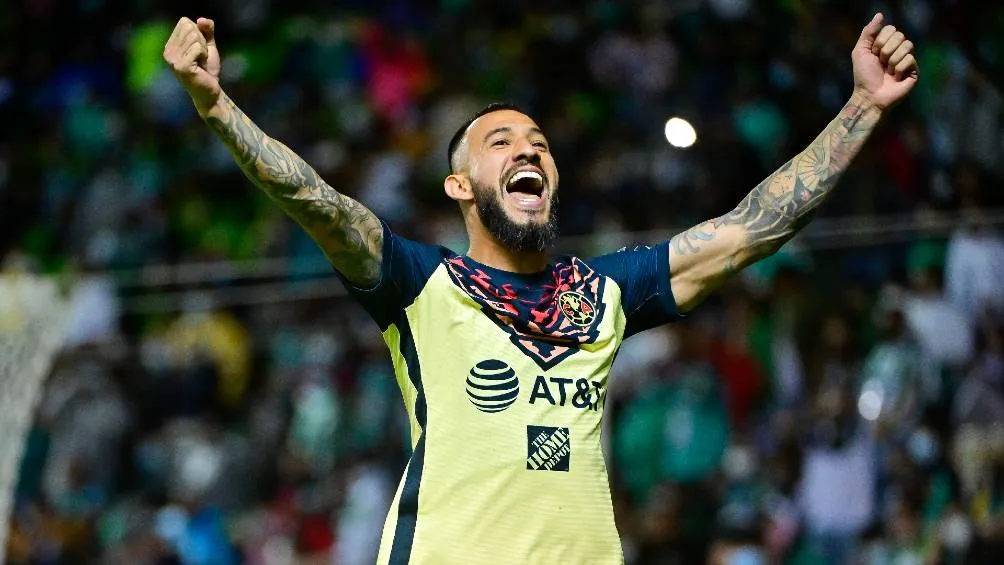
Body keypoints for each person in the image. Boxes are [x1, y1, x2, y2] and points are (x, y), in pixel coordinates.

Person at [162, 13, 918, 564]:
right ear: (461, 184)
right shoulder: (422, 284)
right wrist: (217, 106)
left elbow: (751, 229)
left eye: (541, 146)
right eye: (502, 142)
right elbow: (318, 202)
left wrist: (862, 106)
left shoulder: (605, 292)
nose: (529, 149)